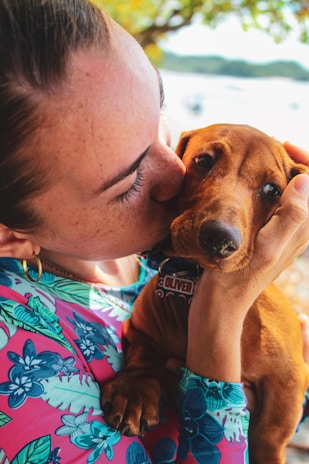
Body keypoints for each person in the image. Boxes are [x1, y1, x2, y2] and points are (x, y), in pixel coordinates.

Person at [0, 1, 308, 463]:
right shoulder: (18, 371)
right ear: (9, 235)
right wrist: (221, 314)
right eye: (127, 181)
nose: (177, 171)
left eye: (160, 125)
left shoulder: (152, 252)